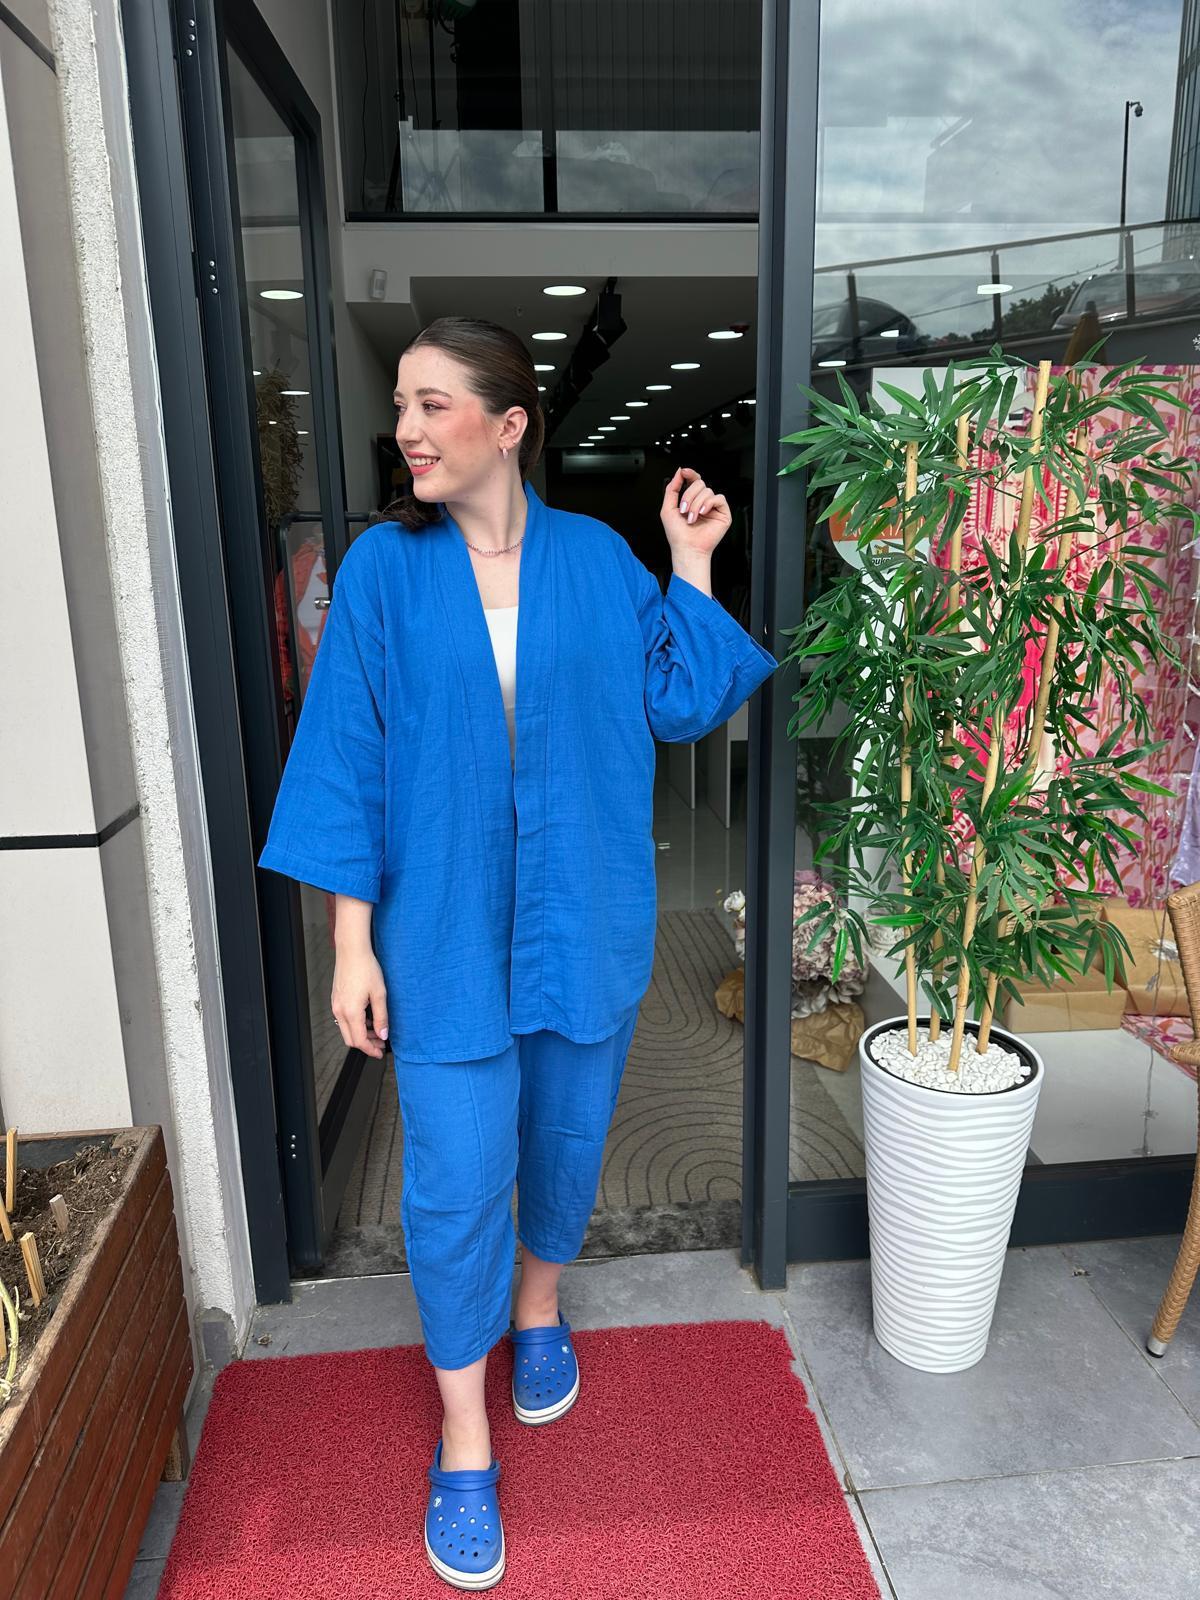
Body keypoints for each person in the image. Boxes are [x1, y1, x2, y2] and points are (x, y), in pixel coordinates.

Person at [257, 315, 780, 1589]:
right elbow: (345, 756)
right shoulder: (382, 572)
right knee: (450, 1181)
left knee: (565, 1140)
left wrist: (693, 563)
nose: (406, 428)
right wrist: (349, 944)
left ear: (508, 425)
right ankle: (463, 1433)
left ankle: (538, 1307)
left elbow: (678, 700)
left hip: (580, 921)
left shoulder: (597, 559)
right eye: (401, 404)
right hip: (437, 936)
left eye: (432, 404)